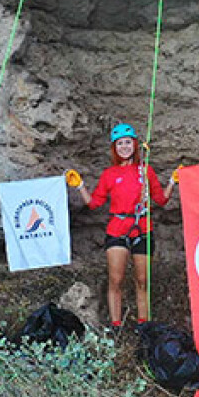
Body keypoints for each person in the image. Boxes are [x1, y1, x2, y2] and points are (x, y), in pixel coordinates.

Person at [71, 123, 174, 330]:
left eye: (128, 142)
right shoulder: (109, 174)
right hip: (117, 228)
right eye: (120, 143)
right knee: (116, 279)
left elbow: (161, 200)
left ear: (135, 145)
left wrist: (172, 182)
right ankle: (116, 326)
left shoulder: (145, 171)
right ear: (114, 147)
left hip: (142, 227)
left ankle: (143, 326)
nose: (124, 147)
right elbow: (94, 203)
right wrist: (80, 186)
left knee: (142, 280)